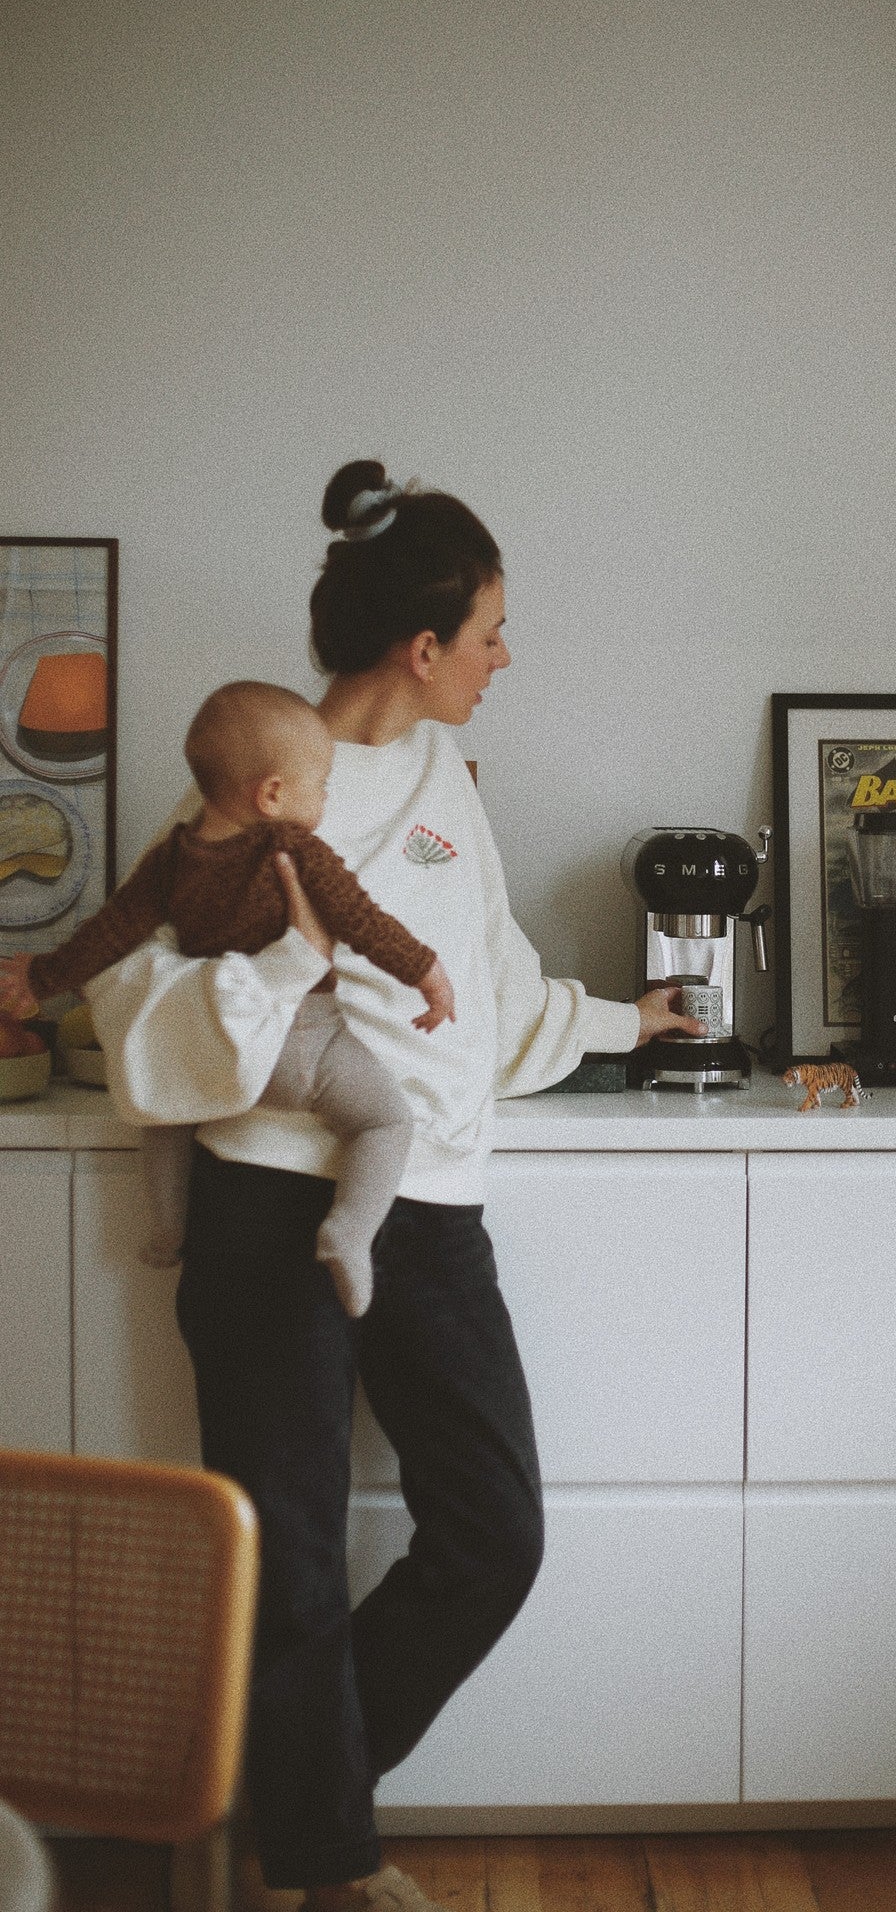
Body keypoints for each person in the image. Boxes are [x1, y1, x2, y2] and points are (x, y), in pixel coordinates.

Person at [83, 460, 704, 1912]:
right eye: (491, 630)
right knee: (288, 1550)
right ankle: (329, 1868)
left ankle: (279, 1798)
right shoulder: (256, 783)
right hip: (263, 1206)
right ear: (422, 649)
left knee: (494, 1532)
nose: (505, 656)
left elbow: (484, 989)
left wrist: (628, 1023)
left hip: (426, 1207)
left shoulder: (445, 781)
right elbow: (140, 986)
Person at [0, 680, 456, 1319]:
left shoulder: (170, 860)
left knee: (164, 1105)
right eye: (320, 784)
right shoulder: (291, 847)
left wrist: (40, 978)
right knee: (387, 1120)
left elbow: (108, 933)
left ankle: (165, 1227)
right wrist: (427, 972)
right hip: (304, 1044)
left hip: (224, 1048)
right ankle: (350, 1228)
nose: (324, 798)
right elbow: (359, 919)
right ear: (272, 794)